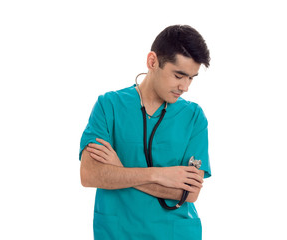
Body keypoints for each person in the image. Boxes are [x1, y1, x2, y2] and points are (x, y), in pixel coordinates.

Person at [79, 24, 211, 240]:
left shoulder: (194, 117)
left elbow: (189, 194)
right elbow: (90, 174)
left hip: (176, 233)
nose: (185, 87)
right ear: (152, 62)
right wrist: (159, 174)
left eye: (191, 78)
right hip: (117, 232)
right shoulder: (109, 105)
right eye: (178, 75)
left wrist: (119, 171)